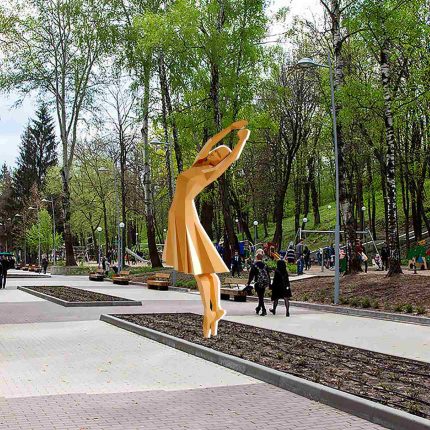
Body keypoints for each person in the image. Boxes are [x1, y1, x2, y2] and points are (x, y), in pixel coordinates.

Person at [163, 120, 250, 338]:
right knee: (206, 271)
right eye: (215, 152)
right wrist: (230, 129)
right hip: (179, 214)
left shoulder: (210, 172)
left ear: (219, 161)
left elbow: (233, 158)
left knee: (201, 270)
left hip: (185, 214)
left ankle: (210, 312)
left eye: (218, 155)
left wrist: (243, 140)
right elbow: (210, 141)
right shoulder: (197, 164)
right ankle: (214, 309)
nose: (213, 154)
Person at [247, 250, 270, 316]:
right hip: (264, 282)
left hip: (258, 282)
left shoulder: (254, 265)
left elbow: (251, 275)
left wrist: (248, 283)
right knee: (261, 296)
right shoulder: (264, 265)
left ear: (256, 257)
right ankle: (258, 308)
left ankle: (264, 310)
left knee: (260, 297)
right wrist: (269, 282)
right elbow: (268, 274)